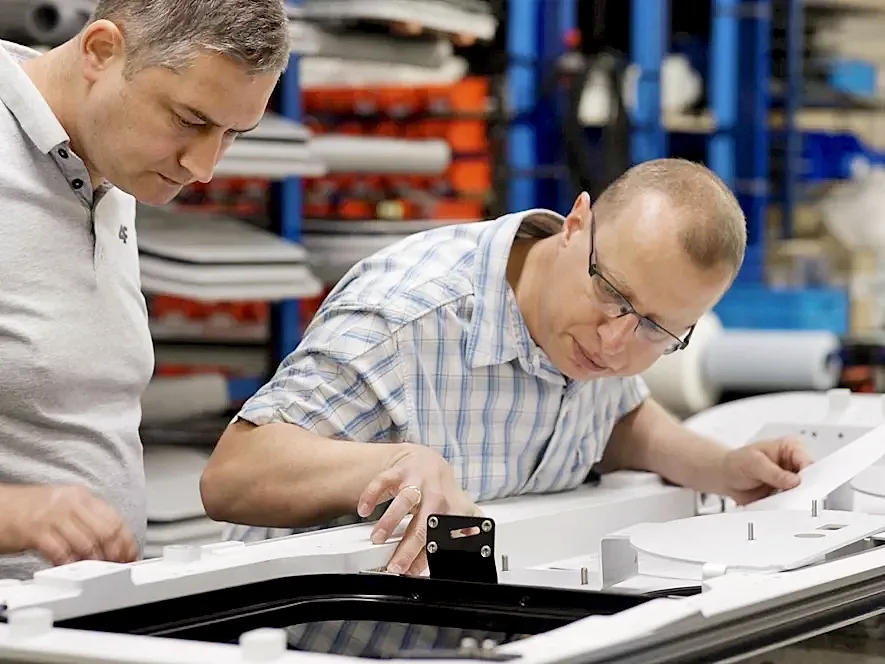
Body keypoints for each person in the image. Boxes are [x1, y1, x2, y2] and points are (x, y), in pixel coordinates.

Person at [201, 158, 814, 577]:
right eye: (614, 296)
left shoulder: (605, 328)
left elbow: (614, 422)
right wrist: (390, 464)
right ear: (576, 225)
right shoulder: (408, 316)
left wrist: (723, 467)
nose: (615, 342)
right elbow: (231, 476)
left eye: (656, 329)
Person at [0, 0, 289, 579]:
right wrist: (12, 513)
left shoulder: (105, 162)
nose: (203, 167)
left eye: (232, 134)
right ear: (101, 51)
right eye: (189, 120)